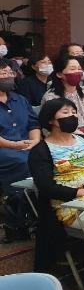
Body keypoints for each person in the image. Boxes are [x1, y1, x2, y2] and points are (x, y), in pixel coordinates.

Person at [30, 98, 84, 270]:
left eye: (74, 112)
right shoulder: (41, 151)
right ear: (51, 120)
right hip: (70, 206)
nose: (72, 116)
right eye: (65, 112)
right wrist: (78, 192)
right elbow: (46, 187)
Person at [0, 59, 41, 241]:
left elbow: (33, 123)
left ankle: (41, 212)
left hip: (26, 145)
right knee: (23, 161)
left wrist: (35, 141)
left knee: (46, 156)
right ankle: (18, 215)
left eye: (10, 73)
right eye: (2, 74)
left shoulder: (20, 99)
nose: (7, 77)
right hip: (4, 148)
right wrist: (14, 145)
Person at [41, 56, 84, 143]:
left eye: (79, 69)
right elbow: (49, 127)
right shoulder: (51, 96)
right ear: (59, 74)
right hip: (65, 138)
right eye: (72, 69)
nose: (77, 72)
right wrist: (83, 137)